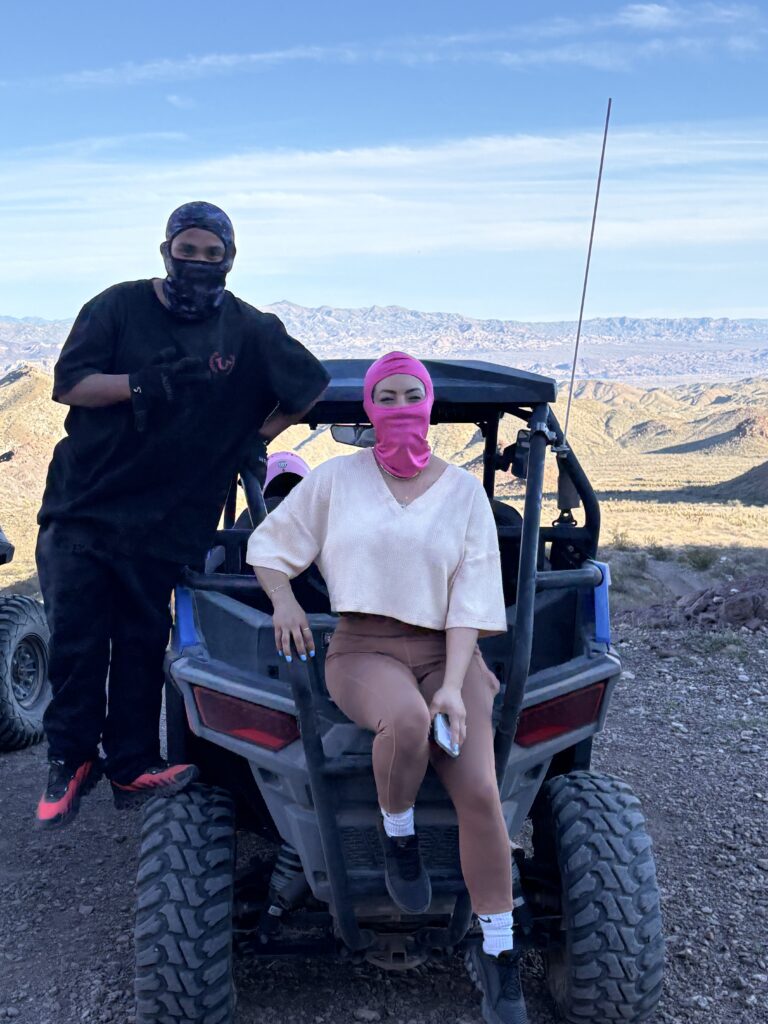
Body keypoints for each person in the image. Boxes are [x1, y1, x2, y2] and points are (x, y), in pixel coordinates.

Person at [246, 351, 527, 1024]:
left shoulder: (462, 494)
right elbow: (269, 547)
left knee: (482, 792)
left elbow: (471, 598)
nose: (401, 406)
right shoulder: (337, 481)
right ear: (372, 409)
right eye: (388, 396)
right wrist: (284, 600)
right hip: (362, 647)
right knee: (403, 721)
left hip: (448, 652)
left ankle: (498, 952)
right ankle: (397, 833)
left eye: (412, 395)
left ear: (427, 405)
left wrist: (456, 687)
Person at [35, 201, 329, 830]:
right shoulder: (116, 306)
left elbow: (308, 386)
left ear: (229, 257)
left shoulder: (249, 330)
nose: (197, 263)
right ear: (166, 249)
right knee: (79, 638)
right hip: (86, 502)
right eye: (186, 250)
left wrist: (246, 437)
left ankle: (132, 763)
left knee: (143, 640)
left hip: (168, 514)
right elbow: (70, 383)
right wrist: (138, 385)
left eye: (211, 253)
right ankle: (70, 759)